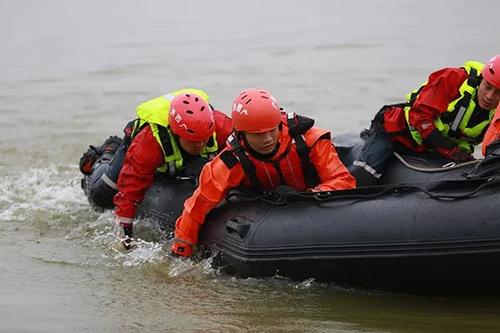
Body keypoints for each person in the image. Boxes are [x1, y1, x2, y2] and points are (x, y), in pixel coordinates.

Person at [170, 88, 356, 257]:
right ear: (242, 135)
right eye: (258, 134)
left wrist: (307, 196)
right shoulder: (231, 161)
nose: (267, 139)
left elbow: (344, 181)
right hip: (261, 208)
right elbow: (198, 205)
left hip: (314, 202)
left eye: (271, 130)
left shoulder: (308, 140)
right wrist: (182, 249)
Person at [79, 88, 232, 234]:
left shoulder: (220, 126)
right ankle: (109, 149)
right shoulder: (149, 142)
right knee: (102, 196)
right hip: (134, 147)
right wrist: (125, 231)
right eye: (193, 141)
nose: (200, 145)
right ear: (176, 133)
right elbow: (130, 189)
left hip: (177, 161)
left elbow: (244, 150)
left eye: (203, 139)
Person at [350, 56, 500, 186]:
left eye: (498, 92)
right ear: (482, 78)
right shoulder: (453, 78)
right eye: (487, 87)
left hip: (433, 149)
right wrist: (451, 151)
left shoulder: (496, 113)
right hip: (396, 133)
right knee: (366, 174)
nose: (489, 96)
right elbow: (420, 117)